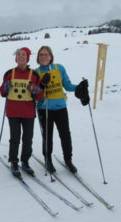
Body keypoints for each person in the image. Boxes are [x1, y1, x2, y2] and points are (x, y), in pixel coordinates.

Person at [35, 45, 90, 174]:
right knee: (47, 136)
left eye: (46, 54)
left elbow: (68, 85)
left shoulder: (59, 68)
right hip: (45, 108)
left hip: (61, 107)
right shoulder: (36, 72)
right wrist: (42, 85)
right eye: (41, 55)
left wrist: (80, 87)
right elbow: (36, 92)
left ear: (51, 56)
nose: (43, 57)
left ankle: (68, 159)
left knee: (65, 134)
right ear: (38, 57)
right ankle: (48, 159)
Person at [0, 47, 44, 178]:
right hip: (13, 112)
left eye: (23, 54)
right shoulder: (9, 73)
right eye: (18, 54)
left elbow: (40, 95)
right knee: (15, 138)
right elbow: (2, 92)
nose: (21, 56)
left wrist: (36, 90)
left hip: (28, 112)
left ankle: (25, 161)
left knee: (27, 138)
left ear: (28, 58)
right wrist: (5, 88)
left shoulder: (34, 75)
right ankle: (13, 162)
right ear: (16, 58)